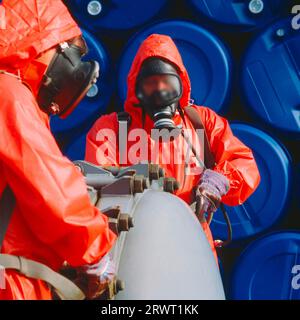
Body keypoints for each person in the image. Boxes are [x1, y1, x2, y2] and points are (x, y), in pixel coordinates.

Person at [85, 34, 261, 261]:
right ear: (137, 88)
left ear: (181, 84)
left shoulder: (202, 122)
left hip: (194, 245)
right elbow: (98, 187)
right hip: (134, 249)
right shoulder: (112, 128)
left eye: (167, 83)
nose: (160, 92)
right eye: (150, 84)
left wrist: (219, 181)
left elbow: (244, 163)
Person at [0, 0, 116, 300]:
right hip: (11, 281)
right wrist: (96, 252)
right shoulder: (10, 95)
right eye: (74, 50)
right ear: (45, 41)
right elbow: (50, 186)